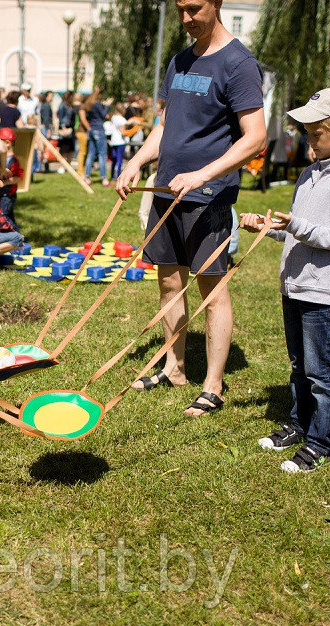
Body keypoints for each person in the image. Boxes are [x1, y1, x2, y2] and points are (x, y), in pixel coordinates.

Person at [116, 0, 266, 417]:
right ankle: (174, 367)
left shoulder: (239, 64)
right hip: (167, 191)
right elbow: (164, 125)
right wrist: (137, 160)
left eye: (194, 8)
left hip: (207, 198)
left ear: (216, 3)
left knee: (212, 291)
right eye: (180, 9)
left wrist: (203, 176)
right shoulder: (180, 60)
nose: (185, 19)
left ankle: (214, 384)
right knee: (167, 282)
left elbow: (255, 138)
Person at [242, 89, 330, 473]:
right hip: (294, 284)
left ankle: (319, 441)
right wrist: (268, 227)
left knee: (320, 371)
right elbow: (298, 231)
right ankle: (298, 424)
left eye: (316, 133)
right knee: (298, 364)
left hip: (322, 288)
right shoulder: (309, 173)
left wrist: (294, 223)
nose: (308, 140)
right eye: (308, 133)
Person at [81, 88, 110, 186]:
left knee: (91, 154)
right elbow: (103, 115)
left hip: (91, 130)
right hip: (99, 130)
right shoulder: (97, 104)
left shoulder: (89, 104)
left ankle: (87, 176)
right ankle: (104, 178)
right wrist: (106, 106)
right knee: (102, 154)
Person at [0, 127, 24, 230]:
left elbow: (18, 177)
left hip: (8, 195)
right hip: (1, 193)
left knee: (3, 216)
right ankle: (16, 235)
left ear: (7, 143)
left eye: (0, 142)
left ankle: (15, 237)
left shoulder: (13, 160)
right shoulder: (0, 158)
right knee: (8, 216)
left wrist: (6, 182)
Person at [108, 102, 128, 179]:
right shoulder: (123, 120)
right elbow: (123, 132)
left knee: (114, 159)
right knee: (119, 160)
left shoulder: (113, 117)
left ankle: (112, 175)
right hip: (120, 142)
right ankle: (118, 176)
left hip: (113, 141)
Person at [57, 89, 77, 165]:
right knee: (64, 149)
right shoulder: (62, 105)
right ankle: (62, 166)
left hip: (71, 128)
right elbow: (61, 117)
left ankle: (68, 164)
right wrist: (63, 128)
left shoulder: (71, 106)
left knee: (71, 149)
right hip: (65, 128)